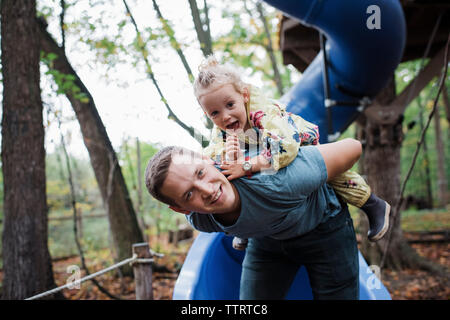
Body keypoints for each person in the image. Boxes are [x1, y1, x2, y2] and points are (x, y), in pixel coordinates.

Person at [193, 56, 390, 248]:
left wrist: (247, 166)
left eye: (230, 105)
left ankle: (372, 204)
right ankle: (245, 229)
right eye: (215, 113)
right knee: (228, 169)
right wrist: (227, 157)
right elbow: (213, 155)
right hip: (260, 152)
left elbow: (285, 147)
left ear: (244, 95)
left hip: (294, 142)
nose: (225, 116)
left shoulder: (262, 113)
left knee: (328, 172)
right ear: (207, 114)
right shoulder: (221, 131)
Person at [145, 138, 362, 299]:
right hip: (268, 239)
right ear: (181, 209)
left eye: (200, 173)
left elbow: (353, 147)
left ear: (207, 160)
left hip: (324, 227)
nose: (207, 190)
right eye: (188, 194)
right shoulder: (201, 220)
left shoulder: (277, 181)